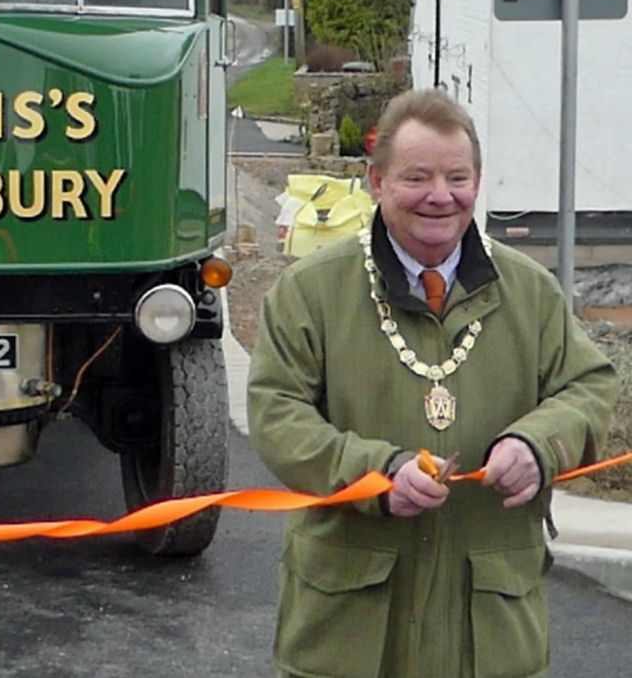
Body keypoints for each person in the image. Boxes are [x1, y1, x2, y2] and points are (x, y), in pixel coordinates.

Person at [247, 88, 618, 678]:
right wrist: (375, 473)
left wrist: (539, 445)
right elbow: (276, 411)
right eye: (417, 177)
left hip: (491, 634)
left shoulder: (530, 291)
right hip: (350, 631)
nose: (440, 196)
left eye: (457, 177)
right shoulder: (311, 292)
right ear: (376, 181)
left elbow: (590, 387)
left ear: (477, 182)